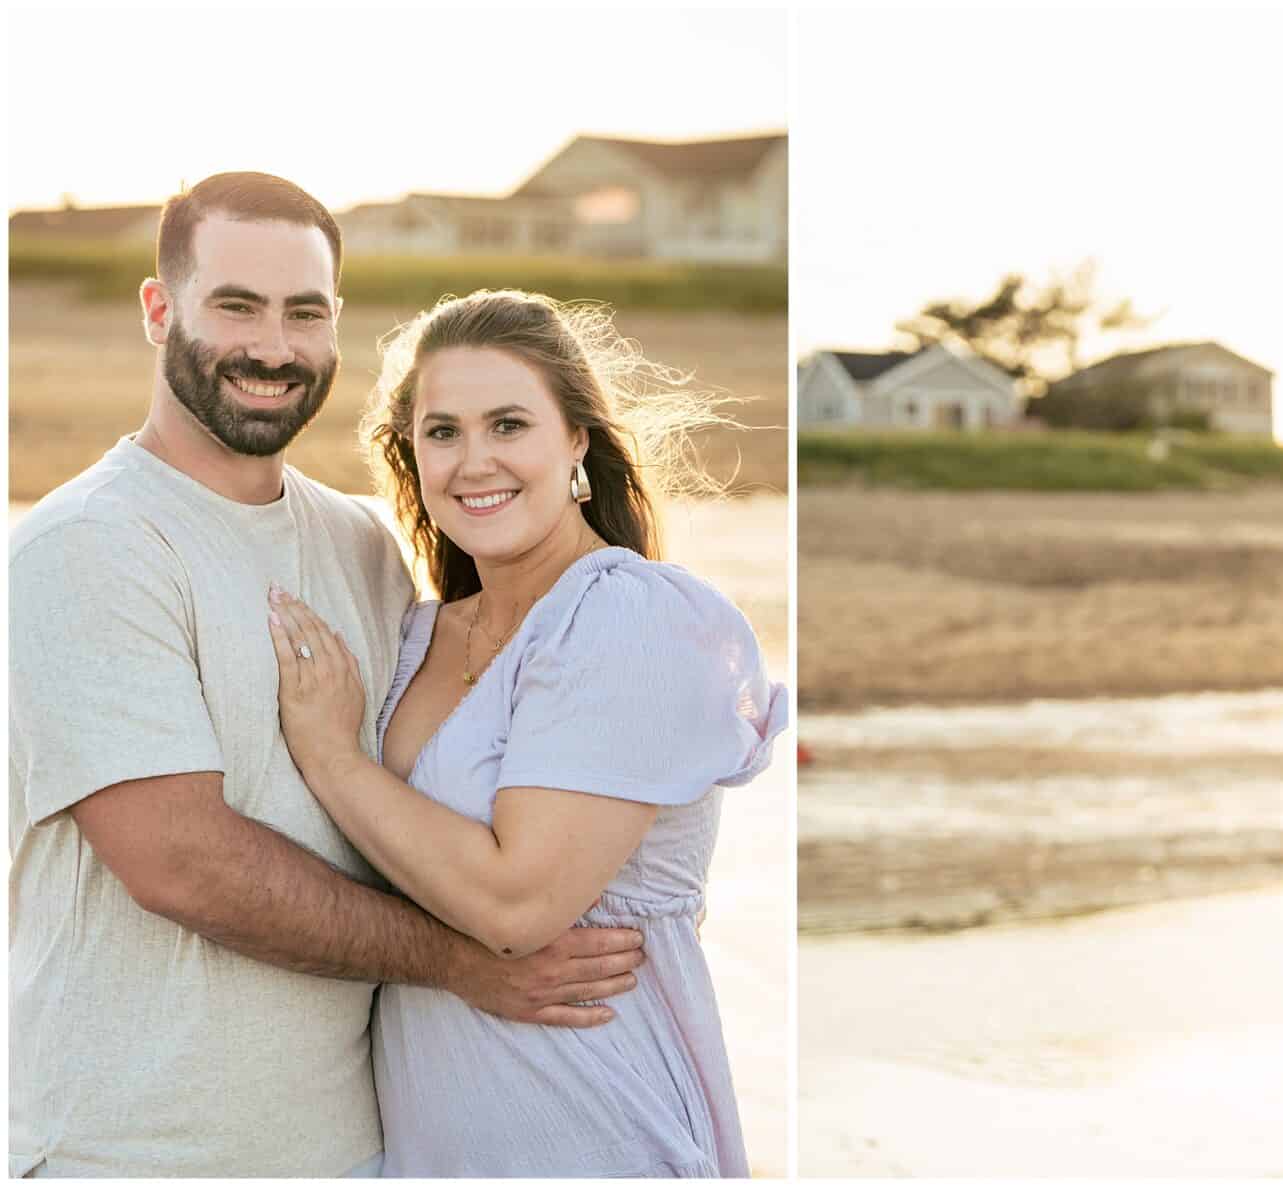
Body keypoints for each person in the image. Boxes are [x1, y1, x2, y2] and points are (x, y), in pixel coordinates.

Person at [8, 173, 645, 1178]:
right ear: (157, 308)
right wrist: (468, 964)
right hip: (133, 1151)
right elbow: (183, 860)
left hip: (352, 1146)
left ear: (335, 323)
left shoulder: (360, 543)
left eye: (304, 312)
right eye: (236, 306)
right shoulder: (89, 546)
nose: (273, 346)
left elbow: (442, 794)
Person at [268, 288, 787, 1177]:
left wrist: (331, 756)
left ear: (577, 440)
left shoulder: (630, 618)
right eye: (442, 432)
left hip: (598, 1134)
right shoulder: (413, 636)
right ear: (411, 454)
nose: (474, 462)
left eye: (509, 425)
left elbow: (517, 906)